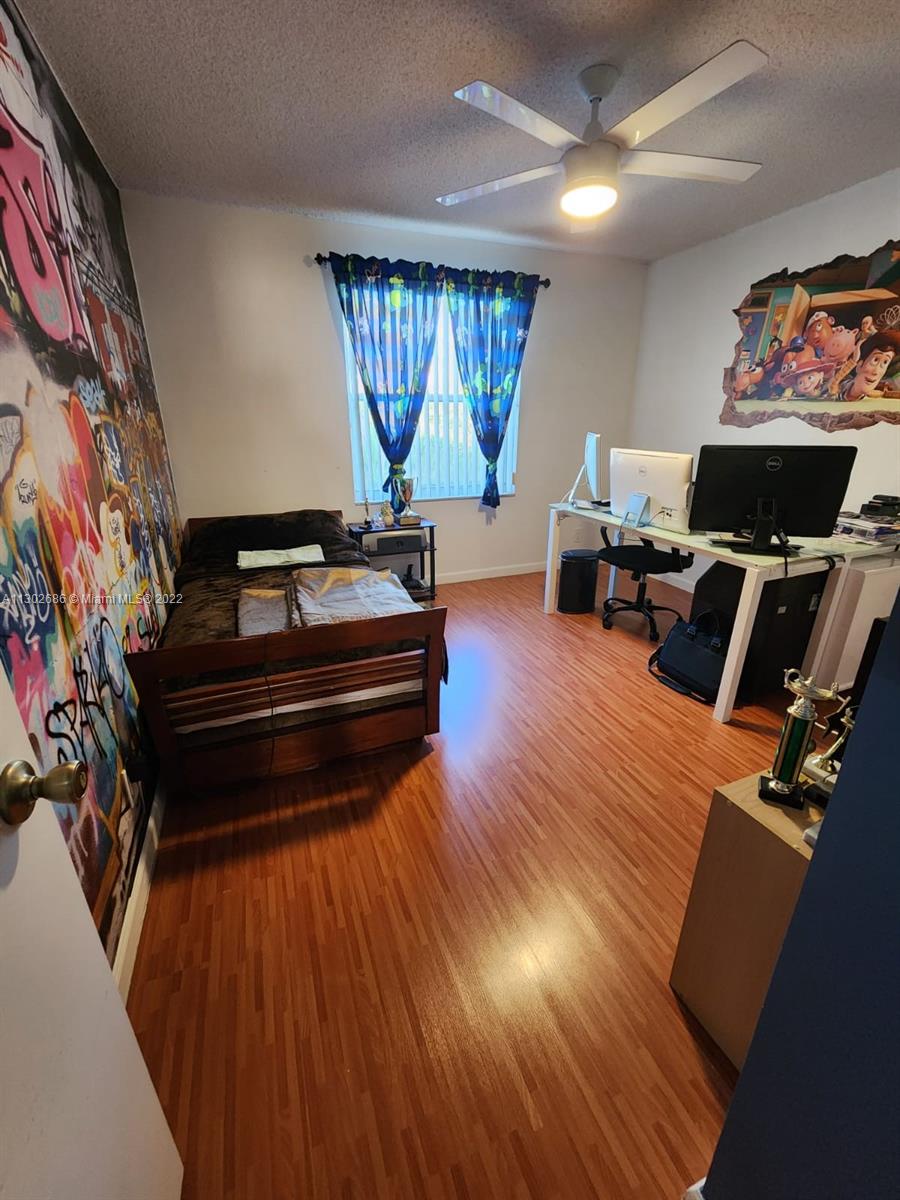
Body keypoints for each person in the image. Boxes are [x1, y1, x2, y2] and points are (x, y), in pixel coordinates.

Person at [840, 330, 900, 401]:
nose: (876, 371)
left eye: (885, 362)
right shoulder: (838, 388)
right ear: (859, 365)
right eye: (875, 360)